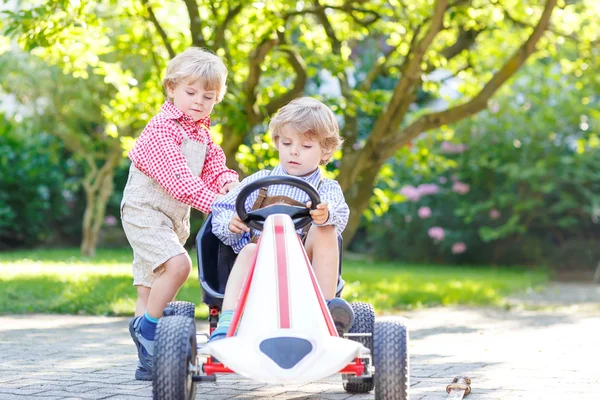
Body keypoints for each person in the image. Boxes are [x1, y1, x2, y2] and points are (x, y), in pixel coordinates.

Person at [120, 47, 239, 380]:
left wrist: (231, 186)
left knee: (149, 288)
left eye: (208, 96)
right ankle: (149, 329)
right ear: (171, 88)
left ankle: (150, 363)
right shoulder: (162, 130)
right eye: (190, 92)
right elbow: (182, 183)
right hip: (145, 213)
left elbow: (215, 167)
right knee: (179, 265)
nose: (199, 101)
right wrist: (219, 205)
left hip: (171, 219)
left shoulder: (200, 130)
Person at [209, 96, 354, 341]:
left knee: (325, 228)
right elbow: (220, 208)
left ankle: (325, 313)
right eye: (287, 143)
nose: (294, 151)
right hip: (260, 265)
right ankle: (228, 322)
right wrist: (229, 223)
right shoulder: (258, 181)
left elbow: (340, 214)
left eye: (306, 146)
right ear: (277, 142)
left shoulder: (326, 188)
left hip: (305, 270)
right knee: (248, 251)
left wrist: (325, 214)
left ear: (325, 150)